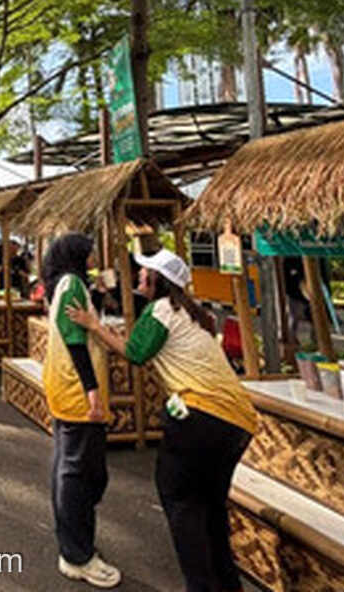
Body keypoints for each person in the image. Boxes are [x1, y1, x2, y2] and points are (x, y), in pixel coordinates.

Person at [68, 249, 257, 592]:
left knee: (182, 502)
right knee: (212, 509)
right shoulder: (193, 314)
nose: (140, 276)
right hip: (237, 423)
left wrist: (93, 325)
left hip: (199, 417)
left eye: (145, 272)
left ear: (159, 280)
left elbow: (135, 353)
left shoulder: (162, 310)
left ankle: (201, 586)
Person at [39, 234, 114, 587]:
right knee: (79, 472)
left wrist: (97, 293)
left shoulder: (66, 283)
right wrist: (93, 391)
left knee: (69, 465)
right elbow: (74, 338)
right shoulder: (70, 284)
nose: (94, 255)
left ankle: (73, 544)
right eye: (90, 251)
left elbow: (79, 321)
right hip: (75, 389)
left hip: (64, 385)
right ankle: (76, 554)